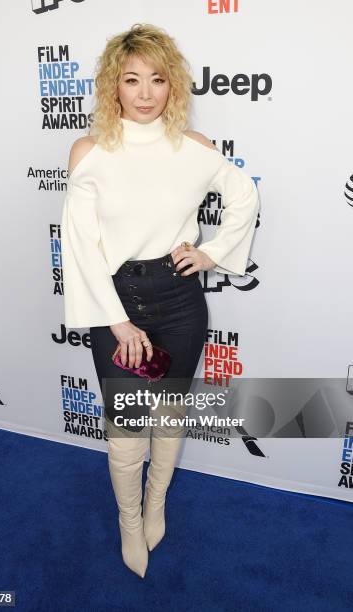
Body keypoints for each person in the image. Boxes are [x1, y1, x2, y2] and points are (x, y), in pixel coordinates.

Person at [61, 23, 259, 578]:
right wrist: (119, 323)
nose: (145, 93)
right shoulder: (90, 151)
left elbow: (244, 195)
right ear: (113, 87)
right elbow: (79, 246)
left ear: (173, 86)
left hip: (179, 300)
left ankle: (156, 502)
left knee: (168, 413)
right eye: (131, 80)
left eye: (157, 79)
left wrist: (214, 252)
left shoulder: (193, 148)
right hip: (115, 302)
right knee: (126, 425)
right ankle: (129, 519)